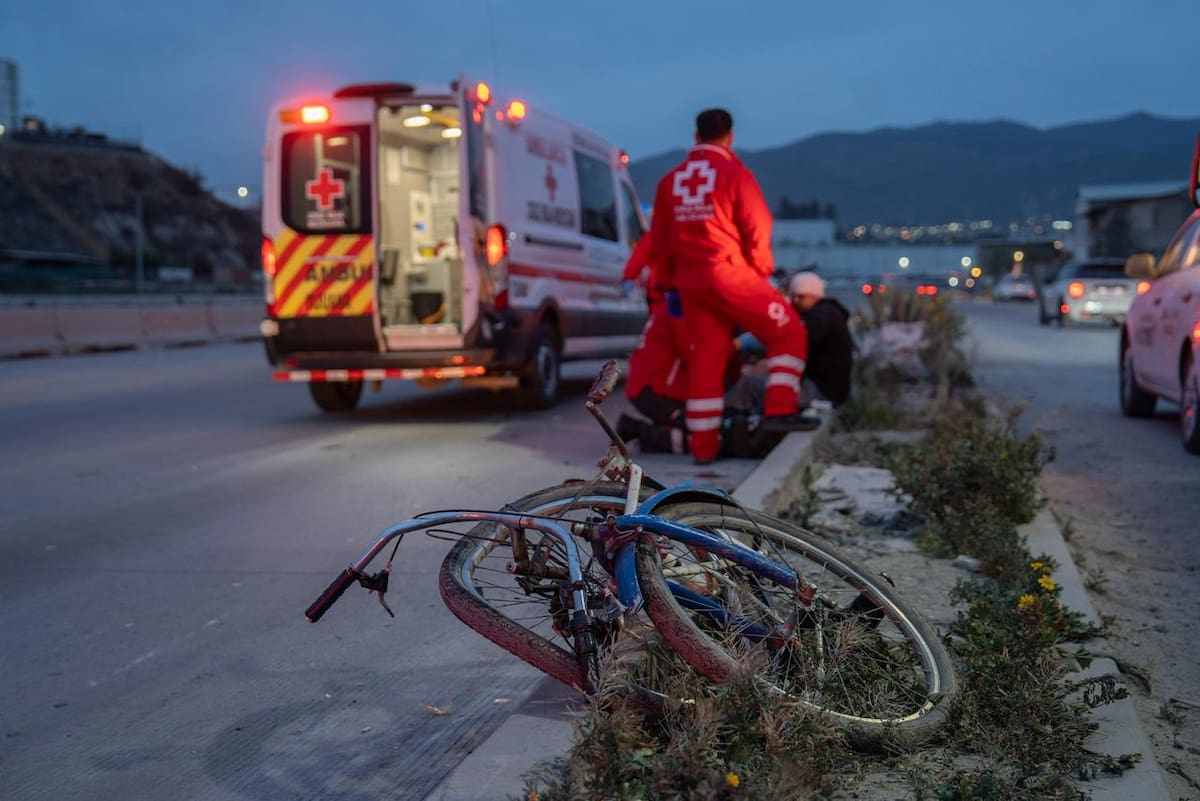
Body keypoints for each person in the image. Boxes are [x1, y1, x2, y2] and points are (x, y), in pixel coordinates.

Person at [645, 108, 810, 464]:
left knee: (706, 361)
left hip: (688, 285)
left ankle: (704, 448)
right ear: (730, 137)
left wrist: (668, 286)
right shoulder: (736, 174)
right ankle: (780, 412)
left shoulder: (668, 182)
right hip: (729, 275)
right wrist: (759, 270)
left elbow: (657, 242)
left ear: (695, 137)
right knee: (790, 332)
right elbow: (758, 226)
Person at [728, 271, 853, 414]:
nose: (795, 302)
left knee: (748, 384)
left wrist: (744, 344)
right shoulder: (831, 314)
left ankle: (726, 422)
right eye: (793, 297)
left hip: (818, 392)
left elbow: (787, 337)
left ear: (814, 296)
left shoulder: (819, 318)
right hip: (828, 391)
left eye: (800, 297)